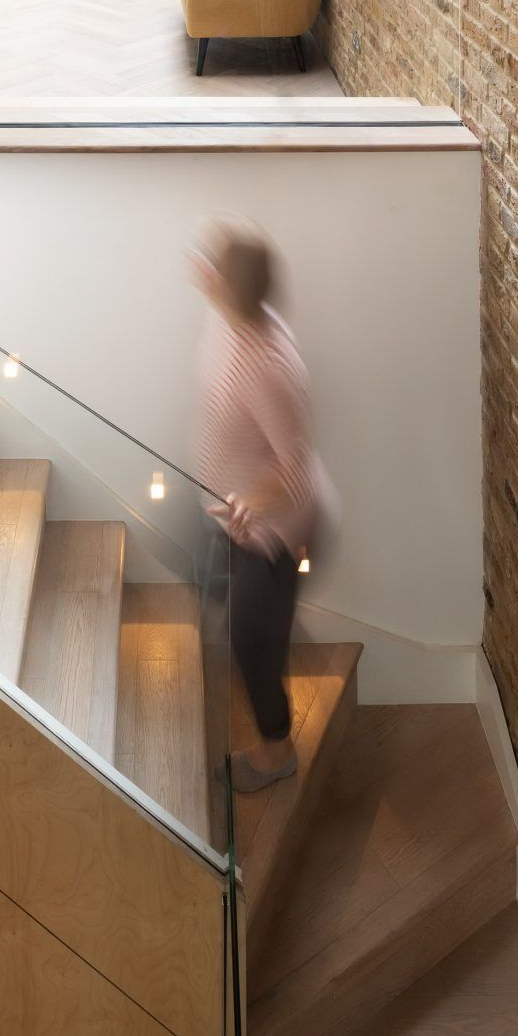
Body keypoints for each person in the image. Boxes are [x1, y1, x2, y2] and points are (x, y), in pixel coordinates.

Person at [190, 218, 319, 793]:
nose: (201, 266)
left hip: (269, 535)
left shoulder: (267, 365)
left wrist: (250, 499)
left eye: (211, 263)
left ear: (227, 284)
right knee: (214, 592)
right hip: (231, 521)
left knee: (251, 644)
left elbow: (295, 471)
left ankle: (277, 752)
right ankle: (272, 623)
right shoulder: (229, 322)